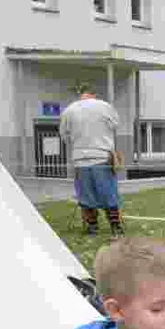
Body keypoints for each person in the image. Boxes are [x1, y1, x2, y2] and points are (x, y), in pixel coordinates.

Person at [59, 90, 124, 236]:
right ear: (94, 94)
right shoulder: (105, 106)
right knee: (109, 193)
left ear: (81, 95)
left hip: (80, 159)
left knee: (86, 195)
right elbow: (115, 125)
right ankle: (115, 226)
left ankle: (92, 227)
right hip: (101, 155)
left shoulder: (69, 110)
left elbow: (64, 135)